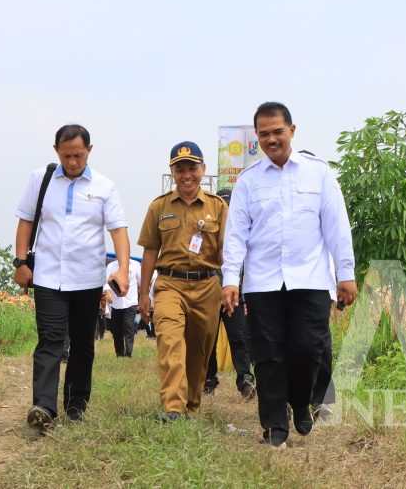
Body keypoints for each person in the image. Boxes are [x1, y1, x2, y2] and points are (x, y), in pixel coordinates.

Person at [222, 102, 357, 449]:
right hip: (263, 283)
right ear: (257, 138)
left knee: (309, 348)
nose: (271, 139)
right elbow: (236, 235)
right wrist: (230, 281)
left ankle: (300, 402)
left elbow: (336, 227)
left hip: (310, 279)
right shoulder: (248, 182)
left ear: (292, 131)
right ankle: (275, 426)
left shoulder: (319, 174)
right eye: (264, 134)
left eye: (277, 132)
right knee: (268, 355)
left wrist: (346, 274)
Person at [13, 124, 131, 430]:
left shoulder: (105, 187)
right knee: (50, 340)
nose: (73, 162)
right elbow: (26, 222)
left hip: (87, 279)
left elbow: (118, 230)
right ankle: (44, 407)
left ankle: (76, 405)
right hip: (49, 277)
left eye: (78, 155)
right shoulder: (40, 179)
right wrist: (21, 261)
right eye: (67, 156)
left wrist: (122, 268)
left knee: (82, 344)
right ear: (56, 152)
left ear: (89, 151)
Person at [138, 141, 227, 421]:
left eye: (192, 168)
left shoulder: (218, 207)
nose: (186, 175)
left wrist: (230, 287)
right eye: (180, 169)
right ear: (172, 173)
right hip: (169, 284)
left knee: (199, 351)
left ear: (203, 169)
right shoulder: (159, 207)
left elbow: (229, 252)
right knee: (170, 342)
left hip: (207, 286)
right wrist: (143, 294)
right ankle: (173, 407)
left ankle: (191, 403)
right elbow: (150, 251)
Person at [203, 190, 255, 400]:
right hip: (210, 294)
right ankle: (208, 379)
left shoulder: (245, 233)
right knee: (208, 339)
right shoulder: (206, 232)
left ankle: (245, 379)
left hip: (236, 295)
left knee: (240, 337)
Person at [103, 258, 142, 357]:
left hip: (131, 302)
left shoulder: (135, 265)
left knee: (128, 327)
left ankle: (128, 354)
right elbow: (106, 282)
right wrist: (108, 293)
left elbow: (141, 282)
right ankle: (119, 354)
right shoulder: (111, 266)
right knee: (116, 330)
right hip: (115, 303)